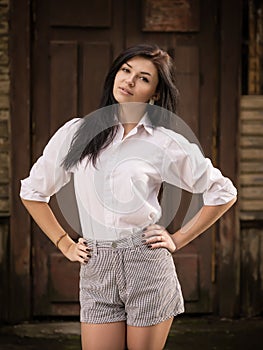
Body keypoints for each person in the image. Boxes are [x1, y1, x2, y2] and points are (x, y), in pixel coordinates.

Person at [20, 44, 237, 350]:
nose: (130, 81)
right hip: (97, 264)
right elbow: (32, 191)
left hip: (145, 264)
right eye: (125, 70)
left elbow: (223, 192)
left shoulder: (165, 142)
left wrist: (179, 238)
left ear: (156, 94)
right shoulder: (76, 133)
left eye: (144, 78)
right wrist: (63, 243)